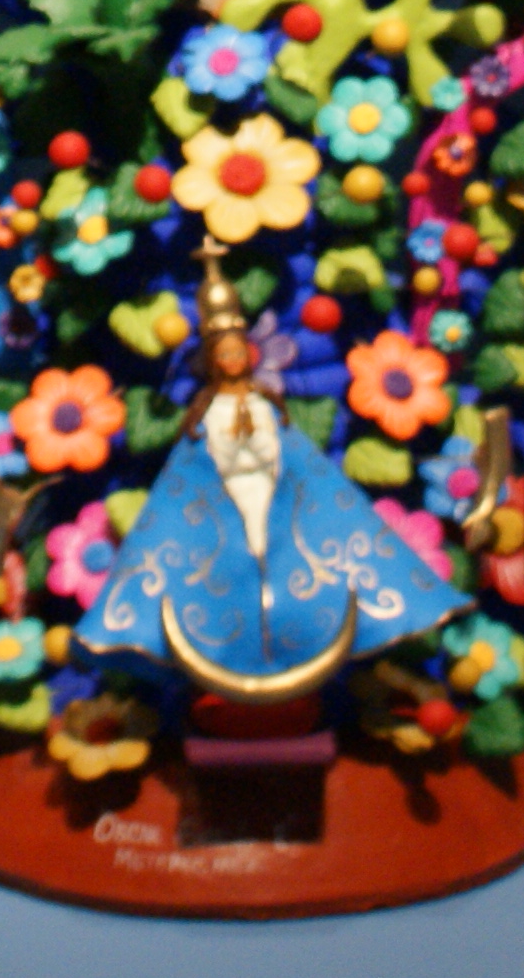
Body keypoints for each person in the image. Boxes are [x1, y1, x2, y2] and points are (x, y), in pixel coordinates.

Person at [78, 286, 463, 698]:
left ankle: (292, 624)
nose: (232, 361)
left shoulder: (265, 405)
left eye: (237, 353)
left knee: (280, 548)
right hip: (228, 491)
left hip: (269, 484)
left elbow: (276, 447)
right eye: (224, 355)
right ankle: (241, 635)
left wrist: (261, 449)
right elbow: (208, 453)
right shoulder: (209, 410)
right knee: (236, 553)